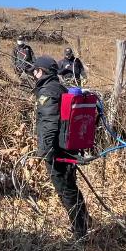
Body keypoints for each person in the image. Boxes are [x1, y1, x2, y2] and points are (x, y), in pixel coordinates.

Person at [31, 56, 91, 240]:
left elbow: (49, 122)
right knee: (71, 187)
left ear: (42, 71)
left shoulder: (47, 91)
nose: (34, 73)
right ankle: (85, 221)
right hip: (66, 147)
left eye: (36, 70)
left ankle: (80, 233)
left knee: (65, 190)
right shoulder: (59, 87)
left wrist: (46, 151)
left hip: (56, 149)